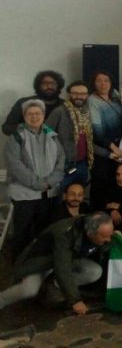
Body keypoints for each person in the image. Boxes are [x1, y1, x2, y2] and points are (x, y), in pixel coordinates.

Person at [0, 212, 113, 314]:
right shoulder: (64, 233)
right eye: (105, 237)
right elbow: (63, 268)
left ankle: (51, 288)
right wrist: (75, 300)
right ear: (90, 233)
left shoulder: (94, 229)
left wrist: (119, 240)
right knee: (29, 289)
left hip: (65, 259)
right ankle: (2, 299)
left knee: (93, 271)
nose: (108, 239)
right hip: (39, 262)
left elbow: (105, 246)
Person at [5, 99, 66, 258]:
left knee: (44, 232)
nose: (34, 117)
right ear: (24, 116)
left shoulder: (52, 136)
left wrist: (49, 182)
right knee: (23, 233)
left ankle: (39, 265)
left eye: (38, 113)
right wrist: (38, 184)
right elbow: (15, 165)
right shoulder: (16, 137)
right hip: (25, 195)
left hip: (49, 194)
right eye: (30, 114)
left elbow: (61, 161)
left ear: (43, 115)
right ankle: (20, 266)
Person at [45, 80, 96, 188]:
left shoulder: (87, 113)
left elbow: (88, 142)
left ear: (87, 95)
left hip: (83, 164)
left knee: (78, 195)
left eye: (82, 94)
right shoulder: (59, 112)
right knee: (62, 195)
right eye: (75, 93)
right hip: (64, 165)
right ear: (69, 94)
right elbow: (45, 135)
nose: (79, 96)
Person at [88, 70, 122, 210]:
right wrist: (114, 148)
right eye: (99, 81)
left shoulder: (115, 95)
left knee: (117, 182)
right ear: (94, 83)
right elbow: (97, 133)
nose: (103, 84)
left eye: (106, 80)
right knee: (101, 184)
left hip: (120, 146)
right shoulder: (92, 101)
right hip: (103, 149)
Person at [3, 71, 65, 136]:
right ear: (38, 86)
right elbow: (7, 128)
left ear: (58, 86)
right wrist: (29, 129)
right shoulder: (23, 103)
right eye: (45, 83)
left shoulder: (65, 105)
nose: (49, 86)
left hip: (57, 141)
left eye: (53, 83)